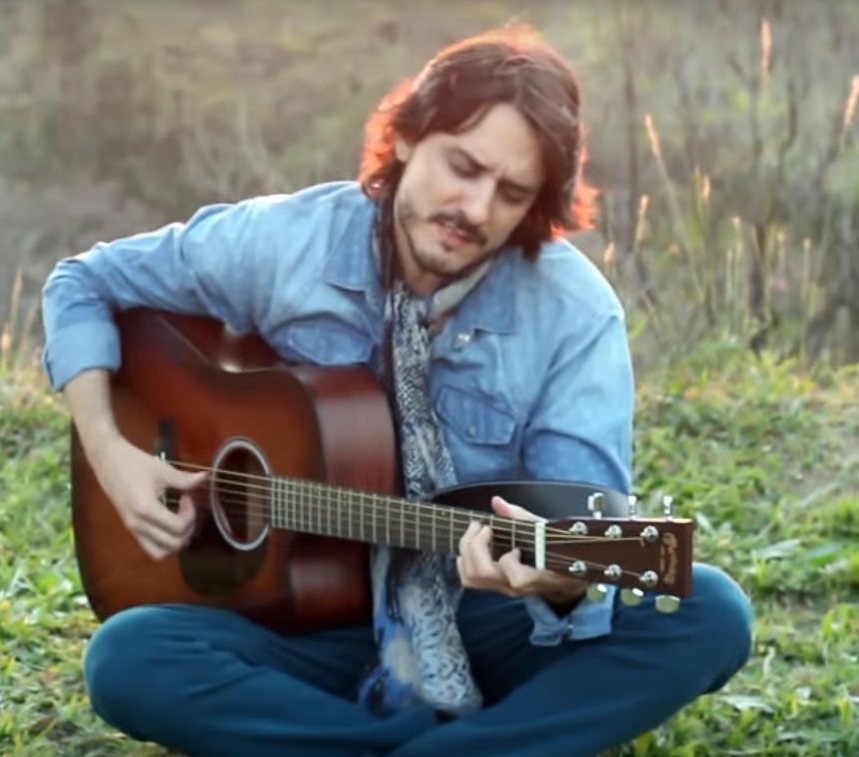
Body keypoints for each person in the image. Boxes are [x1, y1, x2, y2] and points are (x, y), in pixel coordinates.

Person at [40, 24, 754, 757]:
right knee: (130, 658)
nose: (474, 209)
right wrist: (112, 451)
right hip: (304, 621)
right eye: (463, 166)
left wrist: (559, 584)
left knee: (711, 613)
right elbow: (83, 284)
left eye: (510, 192)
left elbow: (582, 515)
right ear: (410, 136)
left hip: (482, 619)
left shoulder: (573, 311)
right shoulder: (294, 242)